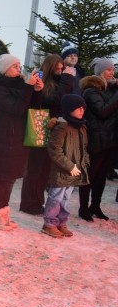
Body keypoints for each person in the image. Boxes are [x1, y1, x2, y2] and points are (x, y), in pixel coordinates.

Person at [0, 54, 43, 230]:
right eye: (14, 66)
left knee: (11, 177)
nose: (18, 68)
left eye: (19, 65)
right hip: (6, 139)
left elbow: (32, 108)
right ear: (5, 69)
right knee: (4, 177)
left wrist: (36, 91)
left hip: (18, 137)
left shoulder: (19, 86)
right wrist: (28, 89)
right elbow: (17, 108)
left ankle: (3, 212)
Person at [19, 54, 75, 216]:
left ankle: (37, 201)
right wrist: (67, 80)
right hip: (41, 126)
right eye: (57, 68)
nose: (60, 71)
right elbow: (55, 99)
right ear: (50, 67)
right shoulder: (46, 81)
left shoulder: (60, 81)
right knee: (36, 167)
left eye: (62, 69)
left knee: (44, 169)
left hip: (54, 129)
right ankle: (29, 203)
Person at [42, 94, 89, 238]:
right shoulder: (61, 127)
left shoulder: (81, 127)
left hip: (74, 171)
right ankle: (49, 223)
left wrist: (84, 163)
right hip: (62, 170)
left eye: (83, 108)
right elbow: (55, 150)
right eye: (78, 108)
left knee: (66, 198)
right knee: (56, 197)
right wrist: (69, 166)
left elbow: (84, 148)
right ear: (69, 109)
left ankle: (61, 222)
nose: (81, 110)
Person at [77, 57, 118, 221]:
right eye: (109, 69)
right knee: (90, 175)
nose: (112, 72)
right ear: (100, 72)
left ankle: (95, 206)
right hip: (96, 139)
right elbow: (102, 111)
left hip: (111, 139)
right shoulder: (91, 90)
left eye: (113, 69)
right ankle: (83, 208)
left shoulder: (111, 89)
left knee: (101, 176)